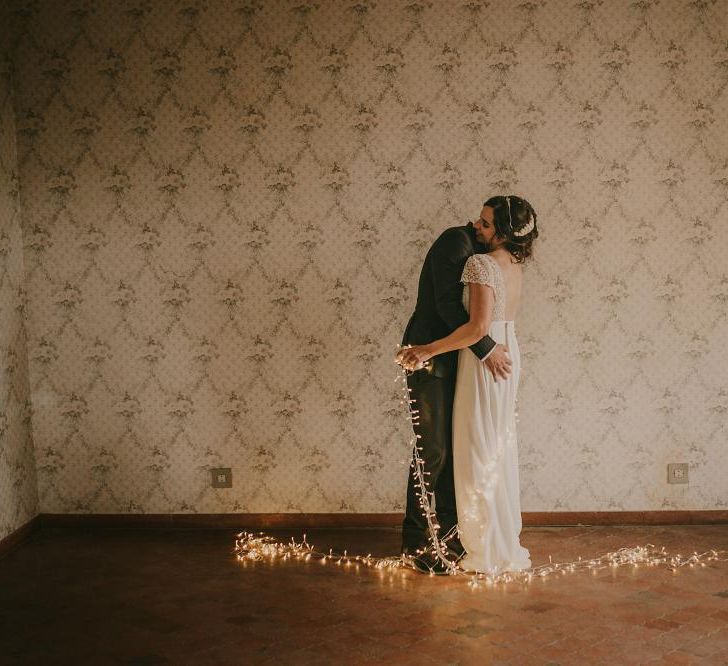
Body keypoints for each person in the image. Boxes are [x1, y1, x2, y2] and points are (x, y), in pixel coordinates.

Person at [397, 195, 537, 574]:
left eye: (486, 223)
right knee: (445, 448)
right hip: (478, 356)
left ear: (505, 231)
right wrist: (486, 347)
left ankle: (463, 538)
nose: (477, 226)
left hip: (475, 356)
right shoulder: (458, 245)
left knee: (477, 447)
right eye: (479, 220)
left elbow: (473, 324)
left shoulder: (483, 261)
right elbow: (445, 307)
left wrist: (436, 349)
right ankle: (423, 543)